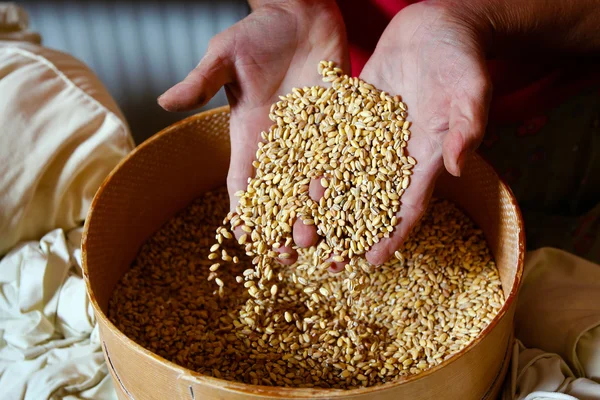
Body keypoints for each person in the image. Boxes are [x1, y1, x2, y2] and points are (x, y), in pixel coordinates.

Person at [158, 0, 600, 266]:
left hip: (549, 103)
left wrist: (476, 16)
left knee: (554, 264)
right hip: (335, 67)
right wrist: (289, 7)